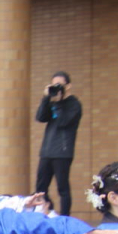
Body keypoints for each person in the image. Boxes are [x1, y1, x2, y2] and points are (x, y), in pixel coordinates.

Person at [34, 71, 83, 216]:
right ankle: (42, 213)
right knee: (40, 188)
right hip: (47, 150)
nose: (57, 88)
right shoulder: (52, 102)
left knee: (62, 188)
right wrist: (46, 98)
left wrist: (61, 101)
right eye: (54, 85)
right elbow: (40, 117)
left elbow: (63, 122)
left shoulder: (74, 104)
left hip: (62, 152)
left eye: (60, 85)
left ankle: (65, 218)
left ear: (68, 86)